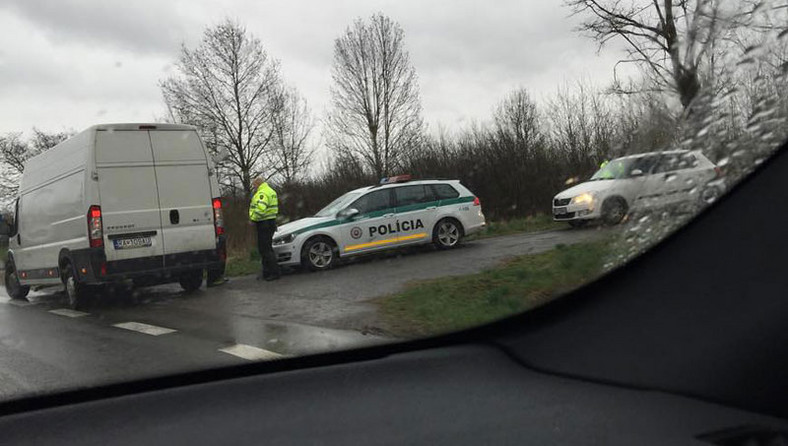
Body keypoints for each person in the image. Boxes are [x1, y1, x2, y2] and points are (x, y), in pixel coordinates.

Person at [249, 177, 281, 281]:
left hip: (263, 223)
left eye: (254, 185)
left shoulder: (262, 193)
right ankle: (267, 272)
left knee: (265, 249)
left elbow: (260, 209)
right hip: (270, 221)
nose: (253, 187)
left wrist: (252, 218)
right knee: (266, 248)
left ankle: (273, 272)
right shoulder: (271, 191)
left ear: (258, 184)